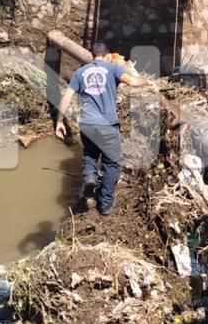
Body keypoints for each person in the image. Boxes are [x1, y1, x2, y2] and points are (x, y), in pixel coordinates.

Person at [54, 43, 149, 215]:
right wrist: (147, 80)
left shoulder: (80, 72)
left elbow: (66, 97)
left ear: (93, 56)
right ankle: (105, 204)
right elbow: (133, 82)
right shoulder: (113, 68)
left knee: (90, 155)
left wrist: (59, 121)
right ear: (107, 56)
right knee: (111, 163)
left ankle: (90, 177)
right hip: (107, 125)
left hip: (87, 124)